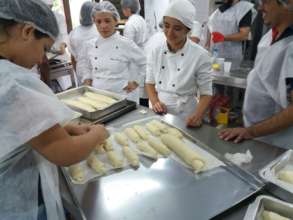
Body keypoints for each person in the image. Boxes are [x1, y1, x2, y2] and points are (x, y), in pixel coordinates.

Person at [0, 0, 109, 219]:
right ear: (27, 31)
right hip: (18, 198)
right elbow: (65, 152)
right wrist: (98, 135)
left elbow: (15, 126)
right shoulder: (12, 82)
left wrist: (63, 128)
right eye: (44, 49)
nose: (42, 59)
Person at [218, 0, 293, 149]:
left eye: (265, 2)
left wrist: (250, 132)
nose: (260, 8)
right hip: (260, 137)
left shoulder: (290, 46)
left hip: (280, 145)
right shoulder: (269, 37)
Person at [145, 0, 213, 127]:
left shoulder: (200, 55)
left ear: (187, 30)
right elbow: (149, 83)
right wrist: (155, 102)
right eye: (166, 25)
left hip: (185, 115)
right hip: (158, 112)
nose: (169, 33)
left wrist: (197, 115)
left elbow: (206, 93)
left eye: (177, 28)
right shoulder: (156, 51)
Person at [79, 1, 146, 103]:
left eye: (107, 21)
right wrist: (87, 79)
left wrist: (136, 82)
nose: (103, 26)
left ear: (115, 21)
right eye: (98, 21)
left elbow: (145, 63)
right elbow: (85, 64)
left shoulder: (125, 44)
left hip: (121, 96)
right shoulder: (90, 45)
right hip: (98, 96)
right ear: (94, 22)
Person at [207, 0, 256, 69]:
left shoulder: (244, 8)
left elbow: (244, 35)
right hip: (215, 54)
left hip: (232, 57)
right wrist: (207, 45)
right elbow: (211, 29)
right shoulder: (218, 10)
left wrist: (223, 38)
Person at [120, 0, 149, 106]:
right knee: (143, 93)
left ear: (127, 9)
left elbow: (127, 47)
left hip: (135, 62)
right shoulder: (141, 19)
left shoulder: (130, 23)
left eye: (123, 9)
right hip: (144, 55)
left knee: (136, 94)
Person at [69, 1, 99, 85]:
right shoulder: (99, 30)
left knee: (85, 95)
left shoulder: (73, 33)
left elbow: (73, 58)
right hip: (97, 69)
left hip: (81, 69)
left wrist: (78, 71)